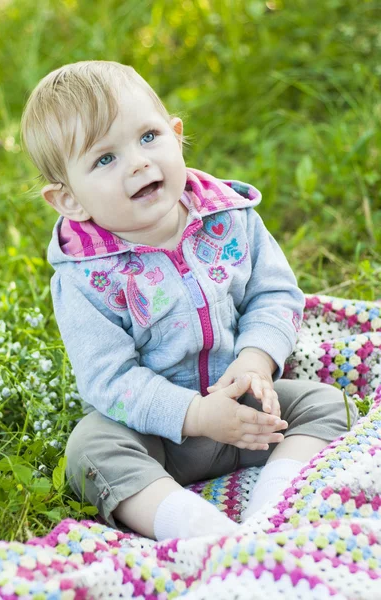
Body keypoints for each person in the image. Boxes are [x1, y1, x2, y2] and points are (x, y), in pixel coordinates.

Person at [21, 60, 357, 540]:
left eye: (147, 137)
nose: (137, 161)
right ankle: (196, 528)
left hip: (244, 410)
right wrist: (195, 415)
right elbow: (108, 377)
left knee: (330, 405)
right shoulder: (84, 277)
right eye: (104, 159)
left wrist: (256, 362)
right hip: (156, 437)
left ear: (176, 135)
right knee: (89, 450)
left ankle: (272, 509)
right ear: (69, 200)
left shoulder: (229, 218)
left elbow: (275, 292)